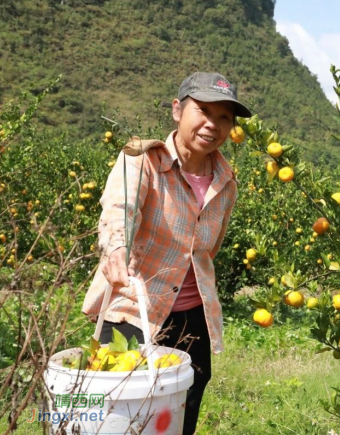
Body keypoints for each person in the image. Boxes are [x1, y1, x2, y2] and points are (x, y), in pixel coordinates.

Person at [82, 72, 251, 434]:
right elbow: (120, 210)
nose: (213, 124)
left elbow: (209, 250)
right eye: (203, 110)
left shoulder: (226, 181)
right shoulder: (141, 159)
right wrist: (116, 249)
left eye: (224, 118)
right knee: (125, 415)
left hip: (194, 320)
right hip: (133, 313)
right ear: (177, 110)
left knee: (181, 414)